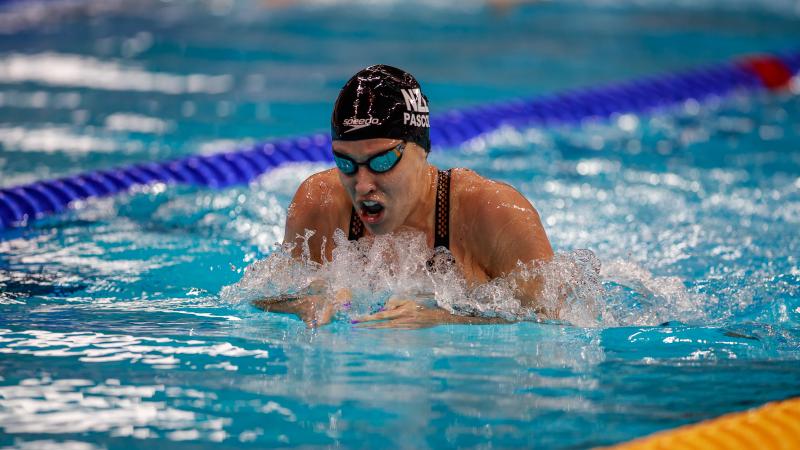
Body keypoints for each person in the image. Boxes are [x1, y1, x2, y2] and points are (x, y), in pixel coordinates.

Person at [255, 64, 554, 328]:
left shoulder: (492, 213)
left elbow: (559, 317)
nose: (361, 185)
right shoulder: (319, 205)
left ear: (421, 149)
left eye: (382, 162)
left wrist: (441, 318)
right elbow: (260, 297)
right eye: (346, 163)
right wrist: (305, 301)